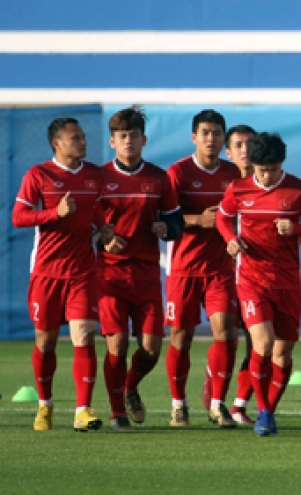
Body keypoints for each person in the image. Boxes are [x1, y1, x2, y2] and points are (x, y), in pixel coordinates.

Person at [218, 132, 301, 436]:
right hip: (252, 279)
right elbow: (223, 219)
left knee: (283, 354)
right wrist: (231, 240)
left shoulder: (299, 190)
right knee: (263, 344)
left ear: (282, 164)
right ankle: (262, 411)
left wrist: (295, 227)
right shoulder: (238, 189)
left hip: (288, 281)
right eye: (261, 169)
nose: (266, 176)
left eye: (272, 169)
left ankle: (269, 409)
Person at [12, 117, 112, 432]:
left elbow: (96, 210)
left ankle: (83, 410)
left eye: (83, 137)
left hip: (83, 270)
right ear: (57, 143)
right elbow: (19, 217)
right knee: (46, 341)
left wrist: (105, 229)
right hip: (46, 272)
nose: (83, 142)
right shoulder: (39, 175)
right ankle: (45, 405)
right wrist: (55, 214)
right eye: (76, 138)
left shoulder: (94, 175)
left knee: (84, 337)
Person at [98, 107, 183, 431]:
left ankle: (130, 386)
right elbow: (88, 224)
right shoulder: (101, 178)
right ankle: (117, 409)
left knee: (150, 348)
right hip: (109, 274)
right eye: (122, 136)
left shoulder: (159, 178)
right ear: (112, 141)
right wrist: (101, 239)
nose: (128, 141)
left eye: (134, 135)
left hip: (146, 273)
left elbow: (175, 221)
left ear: (144, 139)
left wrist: (167, 228)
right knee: (116, 343)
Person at [165, 110, 241, 427]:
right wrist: (200, 221)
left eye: (217, 133)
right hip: (183, 268)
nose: (211, 139)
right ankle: (178, 404)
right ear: (194, 137)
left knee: (225, 331)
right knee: (181, 336)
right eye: (205, 132)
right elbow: (165, 219)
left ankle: (217, 404)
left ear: (224, 139)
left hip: (219, 269)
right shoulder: (178, 173)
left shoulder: (232, 174)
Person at [199, 124, 258, 424]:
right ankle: (216, 387)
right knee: (228, 335)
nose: (245, 151)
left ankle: (239, 406)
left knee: (257, 341)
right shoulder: (227, 183)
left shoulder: (268, 180)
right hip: (223, 271)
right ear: (228, 151)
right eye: (238, 145)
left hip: (259, 274)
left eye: (250, 144)